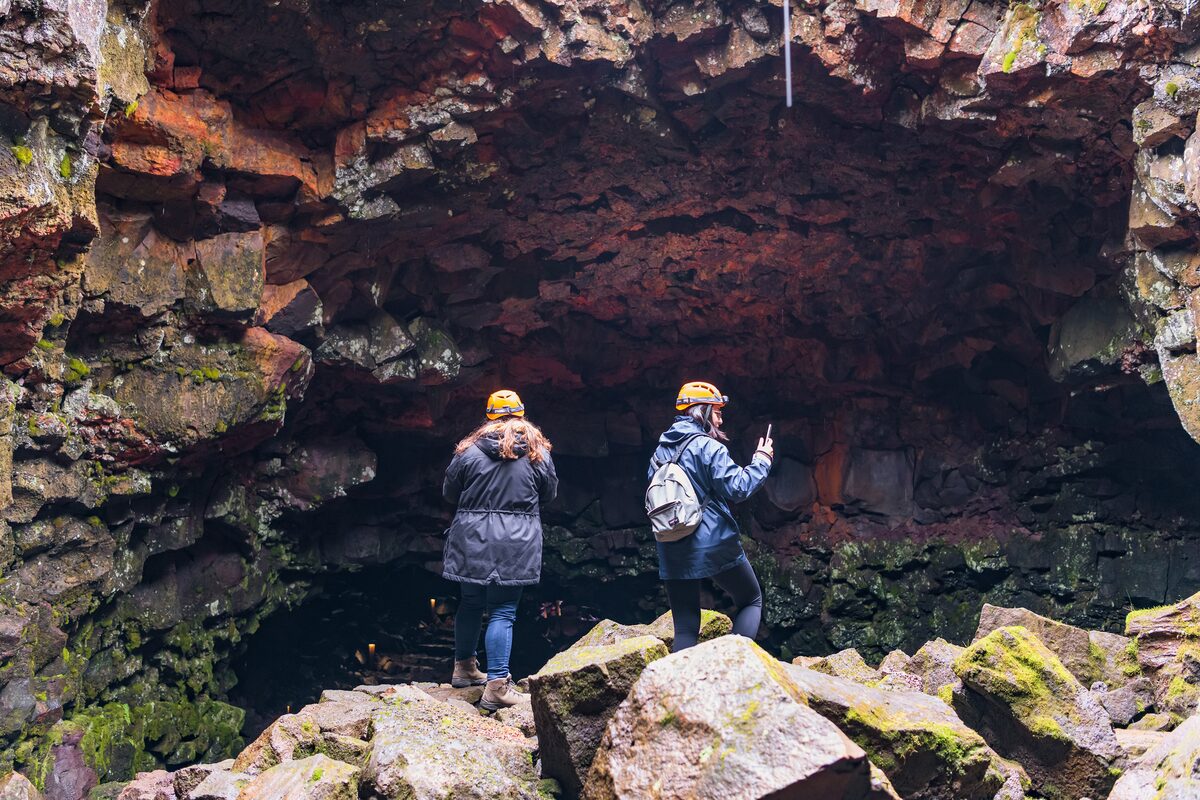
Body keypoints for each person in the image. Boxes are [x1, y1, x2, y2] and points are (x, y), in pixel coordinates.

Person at [442, 389, 558, 710]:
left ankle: (464, 667)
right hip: (515, 541)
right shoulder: (536, 453)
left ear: (489, 417)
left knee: (470, 601)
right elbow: (549, 493)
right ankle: (496, 685)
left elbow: (449, 492)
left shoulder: (467, 452)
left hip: (471, 537)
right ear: (521, 415)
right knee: (503, 611)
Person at [647, 381, 773, 651]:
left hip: (670, 541)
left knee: (685, 627)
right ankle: (732, 668)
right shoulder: (707, 447)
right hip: (713, 542)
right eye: (717, 411)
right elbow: (738, 487)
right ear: (701, 412)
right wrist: (762, 459)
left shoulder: (659, 452)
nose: (720, 417)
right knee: (751, 599)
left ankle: (679, 691)